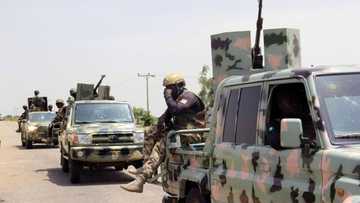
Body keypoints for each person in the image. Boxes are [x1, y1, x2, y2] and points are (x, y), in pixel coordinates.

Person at [121, 73, 206, 193]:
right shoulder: (177, 99)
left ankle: (141, 180)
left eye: (169, 88)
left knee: (166, 139)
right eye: (166, 89)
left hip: (193, 134)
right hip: (181, 133)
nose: (167, 91)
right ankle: (146, 165)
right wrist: (159, 129)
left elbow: (175, 109)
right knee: (150, 131)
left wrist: (168, 97)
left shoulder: (189, 97)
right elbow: (164, 118)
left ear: (178, 86)